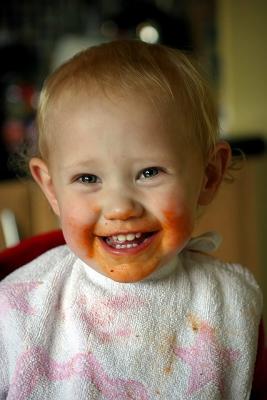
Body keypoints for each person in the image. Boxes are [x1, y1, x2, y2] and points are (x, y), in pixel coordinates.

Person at [0, 40, 263, 399]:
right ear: (50, 188)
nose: (121, 208)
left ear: (208, 176)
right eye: (88, 179)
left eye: (149, 172)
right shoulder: (14, 312)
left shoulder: (233, 301)